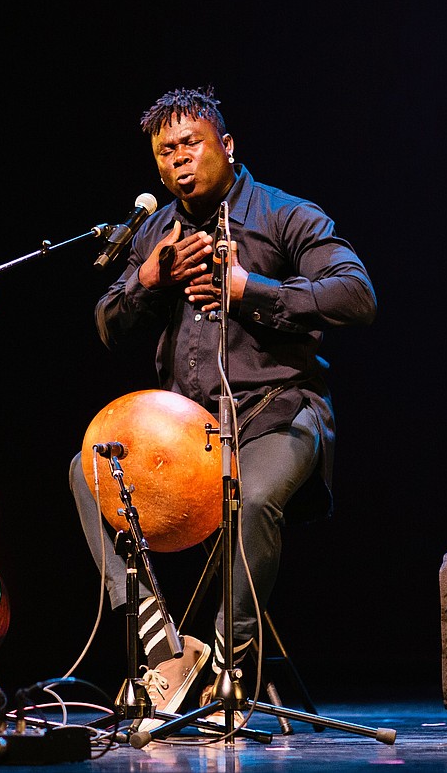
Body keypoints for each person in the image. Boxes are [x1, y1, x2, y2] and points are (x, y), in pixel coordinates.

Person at [69, 86, 377, 722]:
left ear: (227, 147)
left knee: (254, 495)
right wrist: (148, 281)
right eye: (166, 151)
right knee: (87, 470)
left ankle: (227, 672)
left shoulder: (284, 215)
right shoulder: (155, 232)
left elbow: (356, 295)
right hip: (187, 433)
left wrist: (249, 288)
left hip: (279, 414)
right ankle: (163, 649)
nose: (180, 158)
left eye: (192, 143)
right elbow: (106, 321)